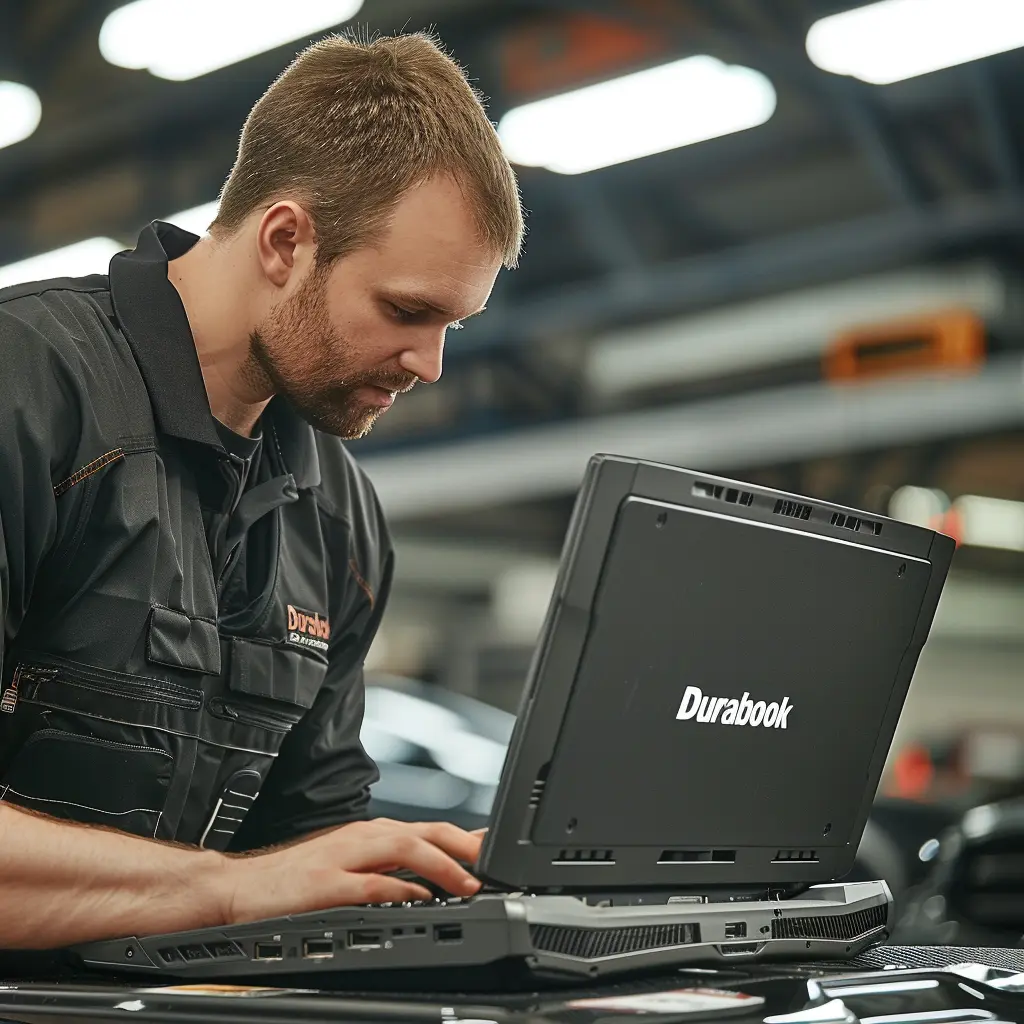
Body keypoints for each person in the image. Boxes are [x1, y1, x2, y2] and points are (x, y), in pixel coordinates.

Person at [0, 30, 524, 950]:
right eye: (406, 311)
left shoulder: (342, 521)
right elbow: (257, 885)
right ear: (285, 240)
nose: (432, 364)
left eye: (452, 324)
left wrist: (449, 897)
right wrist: (232, 891)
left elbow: (307, 850)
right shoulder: (28, 390)